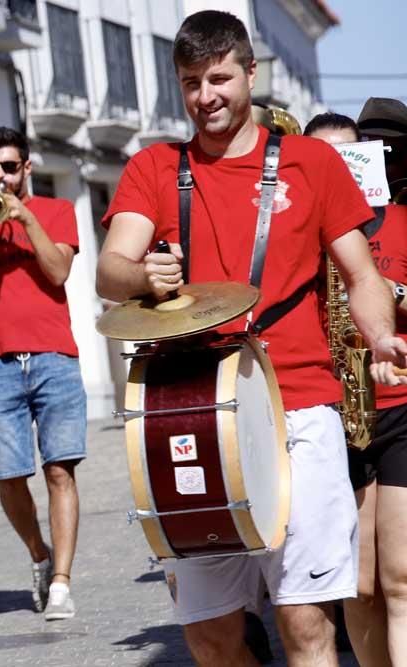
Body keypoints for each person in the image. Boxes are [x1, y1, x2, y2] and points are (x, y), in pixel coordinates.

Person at [96, 11, 407, 666]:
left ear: (249, 73)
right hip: (188, 410)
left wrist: (380, 337)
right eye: (189, 82)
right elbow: (108, 269)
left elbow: (360, 272)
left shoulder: (312, 162)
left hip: (299, 411)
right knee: (210, 634)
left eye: (218, 78)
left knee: (306, 626)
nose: (204, 96)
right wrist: (140, 273)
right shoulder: (155, 166)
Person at [0, 126, 86, 620]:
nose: (0, 176)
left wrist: (25, 218)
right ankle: (38, 555)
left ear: (27, 167)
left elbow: (58, 271)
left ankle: (63, 585)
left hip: (53, 356)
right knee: (8, 476)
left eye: (9, 166)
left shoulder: (56, 211)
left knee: (59, 470)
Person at [305, 104, 407, 666]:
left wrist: (395, 295)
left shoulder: (401, 220)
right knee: (360, 587)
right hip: (330, 416)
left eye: (352, 154)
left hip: (399, 409)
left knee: (400, 580)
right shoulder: (299, 231)